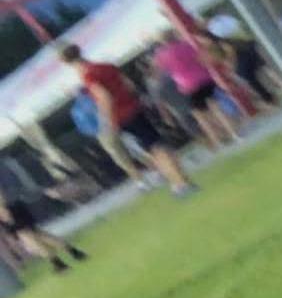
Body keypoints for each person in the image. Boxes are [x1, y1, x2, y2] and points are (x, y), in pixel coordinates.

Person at [57, 45, 195, 196]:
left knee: (152, 149)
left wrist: (106, 121)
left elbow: (104, 98)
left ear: (67, 63)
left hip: (120, 116)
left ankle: (179, 183)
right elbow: (129, 86)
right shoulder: (107, 66)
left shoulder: (88, 75)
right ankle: (181, 179)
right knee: (156, 144)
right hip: (134, 108)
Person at [151, 25, 242, 152]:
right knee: (215, 107)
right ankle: (233, 133)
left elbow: (157, 73)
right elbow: (201, 58)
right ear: (173, 35)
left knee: (201, 116)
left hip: (188, 86)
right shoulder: (186, 45)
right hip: (204, 78)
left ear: (161, 41)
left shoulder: (161, 56)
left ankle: (218, 140)